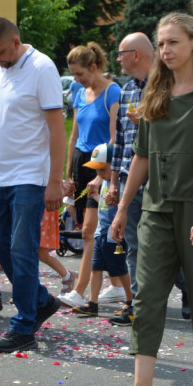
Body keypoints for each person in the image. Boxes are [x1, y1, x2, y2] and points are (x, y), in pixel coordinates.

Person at [106, 12, 193, 386]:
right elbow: (140, 157)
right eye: (161, 44)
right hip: (156, 209)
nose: (165, 51)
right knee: (146, 297)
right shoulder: (156, 92)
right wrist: (124, 208)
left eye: (173, 42)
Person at [0, 17, 65, 354]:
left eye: (0, 52)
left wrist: (55, 180)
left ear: (15, 41)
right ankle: (41, 301)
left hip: (31, 176)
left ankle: (23, 326)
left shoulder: (42, 67)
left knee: (22, 248)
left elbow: (57, 128)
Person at [60, 42, 121, 310]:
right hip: (81, 162)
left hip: (102, 162)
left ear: (94, 67)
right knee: (93, 231)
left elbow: (113, 136)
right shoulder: (78, 91)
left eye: (80, 74)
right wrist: (67, 173)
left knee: (89, 232)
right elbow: (74, 134)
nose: (76, 79)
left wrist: (101, 176)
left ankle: (79, 291)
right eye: (73, 74)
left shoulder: (112, 91)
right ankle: (118, 285)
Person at [106, 32, 155, 320]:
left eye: (121, 53)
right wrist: (113, 182)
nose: (118, 59)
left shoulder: (165, 85)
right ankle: (137, 305)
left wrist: (149, 121)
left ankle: (187, 289)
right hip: (128, 176)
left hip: (160, 177)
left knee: (168, 240)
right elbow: (121, 142)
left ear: (136, 54)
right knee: (133, 242)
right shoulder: (125, 91)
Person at [71, 144, 131, 319]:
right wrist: (96, 196)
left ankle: (130, 299)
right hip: (100, 233)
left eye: (103, 169)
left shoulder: (119, 183)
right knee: (95, 268)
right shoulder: (105, 182)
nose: (100, 174)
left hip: (113, 235)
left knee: (119, 269)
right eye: (96, 170)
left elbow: (120, 207)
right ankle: (93, 302)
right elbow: (104, 203)